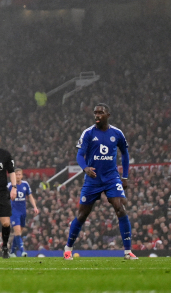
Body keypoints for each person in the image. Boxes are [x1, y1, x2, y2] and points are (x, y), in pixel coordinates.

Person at [64, 104, 136, 260]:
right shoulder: (88, 133)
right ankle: (68, 249)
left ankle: (128, 252)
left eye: (100, 113)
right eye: (95, 113)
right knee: (82, 215)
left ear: (108, 115)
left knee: (120, 208)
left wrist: (125, 176)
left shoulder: (117, 133)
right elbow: (79, 156)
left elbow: (125, 154)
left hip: (111, 178)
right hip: (93, 179)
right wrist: (85, 168)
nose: (97, 115)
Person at [11, 168, 39, 257]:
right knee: (18, 232)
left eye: (19, 174)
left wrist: (35, 207)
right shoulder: (10, 185)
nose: (18, 176)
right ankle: (23, 251)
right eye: (16, 174)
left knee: (18, 233)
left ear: (22, 175)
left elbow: (30, 196)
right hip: (14, 212)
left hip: (23, 212)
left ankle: (11, 252)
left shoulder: (25, 184)